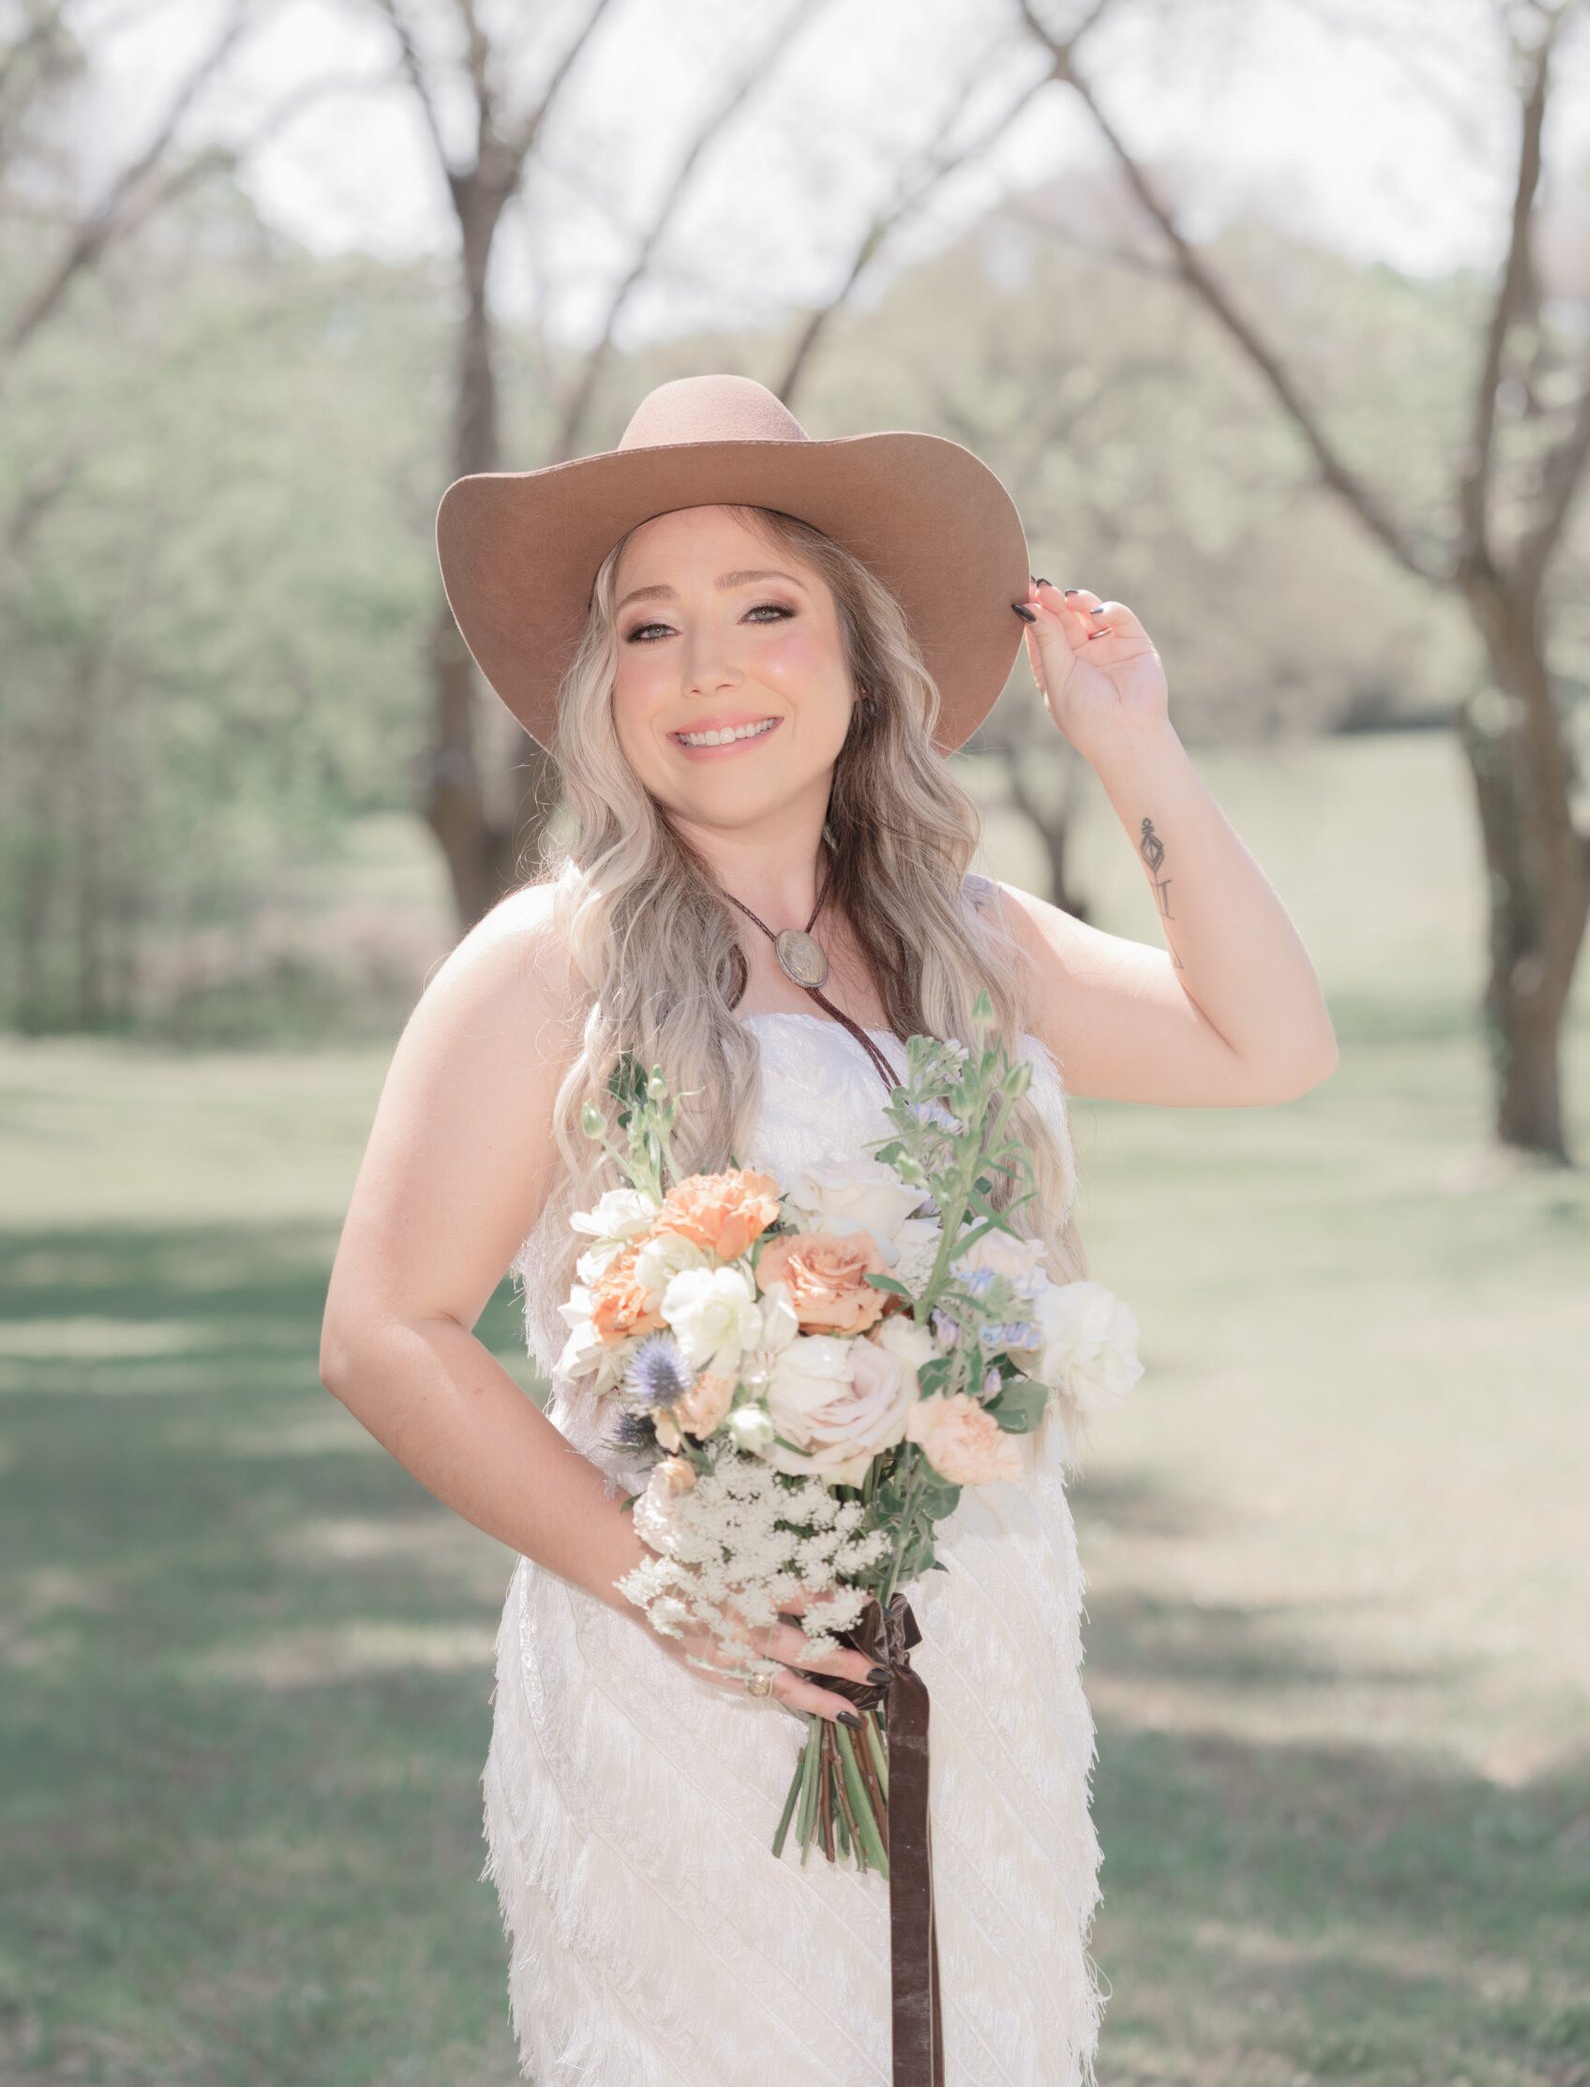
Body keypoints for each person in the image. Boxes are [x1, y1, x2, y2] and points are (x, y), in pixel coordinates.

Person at [318, 374, 1339, 2086]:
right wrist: (663, 1583)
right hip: (693, 1672)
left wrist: (1131, 742)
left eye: (764, 610)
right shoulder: (547, 963)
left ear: (861, 659)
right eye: (650, 629)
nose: (707, 667)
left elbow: (1273, 1043)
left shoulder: (965, 938)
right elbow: (384, 1330)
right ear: (604, 689)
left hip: (986, 1631)